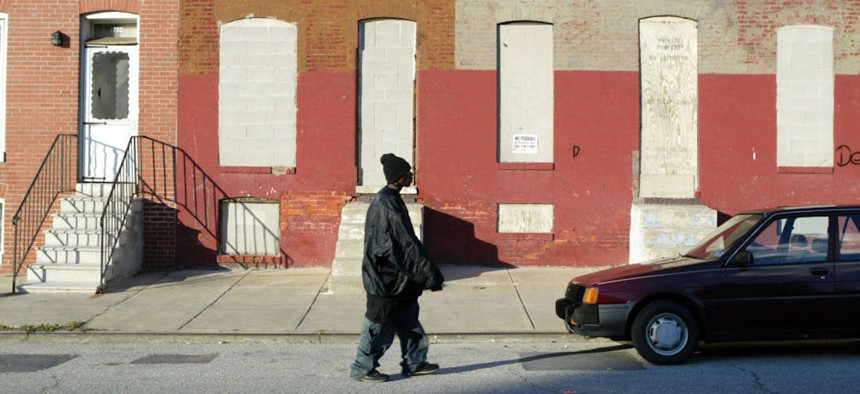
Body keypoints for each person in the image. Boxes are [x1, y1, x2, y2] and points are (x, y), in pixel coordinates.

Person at [350, 153, 445, 383]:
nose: (411, 175)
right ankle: (362, 368)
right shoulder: (386, 204)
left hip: (400, 280)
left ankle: (415, 362)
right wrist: (429, 272)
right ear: (397, 177)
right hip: (385, 280)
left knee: (408, 320)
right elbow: (404, 245)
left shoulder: (392, 198)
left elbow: (405, 244)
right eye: (407, 172)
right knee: (377, 325)